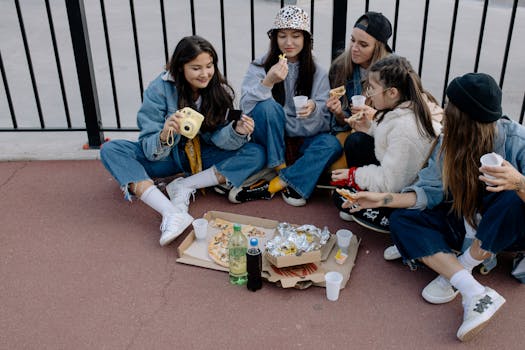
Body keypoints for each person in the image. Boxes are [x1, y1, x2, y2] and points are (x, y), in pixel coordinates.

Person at [342, 73, 525, 341]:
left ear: (469, 122)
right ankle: (473, 289)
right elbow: (429, 191)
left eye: (451, 111)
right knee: (402, 219)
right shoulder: (449, 140)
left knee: (510, 197)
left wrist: (519, 182)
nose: (445, 117)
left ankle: (458, 266)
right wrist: (380, 199)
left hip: (507, 230)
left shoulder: (517, 141)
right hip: (466, 220)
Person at [100, 35, 265, 246]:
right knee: (111, 150)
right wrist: (165, 133)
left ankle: (185, 186)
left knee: (256, 152)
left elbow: (220, 140)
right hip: (165, 157)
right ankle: (169, 212)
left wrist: (237, 131)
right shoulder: (158, 89)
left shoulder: (218, 91)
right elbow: (150, 148)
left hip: (201, 155)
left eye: (209, 66)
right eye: (196, 68)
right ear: (180, 68)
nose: (205, 74)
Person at [331, 55, 442, 259]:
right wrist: (370, 128)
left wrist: (353, 176)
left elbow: (392, 182)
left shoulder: (404, 128)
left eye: (372, 88)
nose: (369, 94)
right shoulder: (407, 109)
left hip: (407, 195)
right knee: (357, 141)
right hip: (403, 177)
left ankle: (384, 217)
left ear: (392, 92)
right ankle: (366, 204)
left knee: (339, 197)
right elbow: (393, 143)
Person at [233, 5, 342, 207]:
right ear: (274, 38)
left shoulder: (317, 72)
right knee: (268, 107)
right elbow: (246, 107)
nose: (289, 43)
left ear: (306, 40)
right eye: (282, 36)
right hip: (271, 139)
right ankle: (282, 168)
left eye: (296, 36)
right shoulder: (260, 66)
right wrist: (268, 82)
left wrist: (314, 108)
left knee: (331, 144)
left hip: (304, 139)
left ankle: (278, 181)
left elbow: (325, 122)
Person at [326, 11, 392, 139]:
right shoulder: (339, 68)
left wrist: (374, 116)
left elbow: (399, 121)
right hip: (350, 136)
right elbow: (343, 123)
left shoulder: (392, 73)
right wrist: (339, 113)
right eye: (352, 40)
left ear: (377, 48)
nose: (354, 48)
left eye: (363, 44)